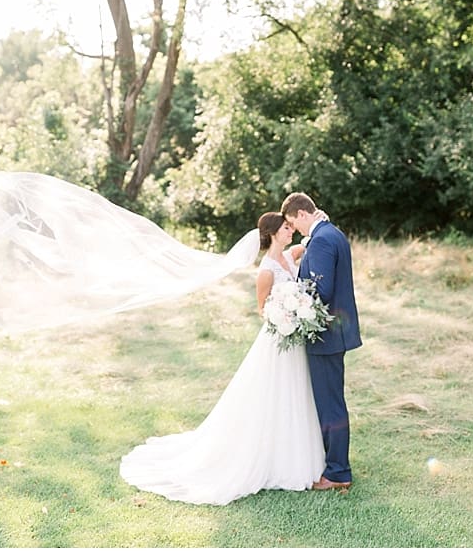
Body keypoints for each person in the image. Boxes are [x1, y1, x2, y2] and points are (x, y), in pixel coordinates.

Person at [120, 211, 326, 505]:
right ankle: (270, 456)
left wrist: (318, 223)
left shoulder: (289, 256)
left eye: (291, 226)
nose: (290, 230)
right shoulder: (266, 270)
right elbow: (262, 309)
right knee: (273, 394)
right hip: (278, 337)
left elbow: (306, 244)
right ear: (272, 234)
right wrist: (286, 315)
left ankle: (296, 453)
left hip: (294, 340)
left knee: (296, 392)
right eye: (286, 227)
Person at [282, 192, 362, 491]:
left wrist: (292, 300)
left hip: (326, 335)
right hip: (333, 333)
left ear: (302, 214)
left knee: (330, 405)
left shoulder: (322, 240)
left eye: (294, 223)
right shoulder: (331, 233)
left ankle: (338, 472)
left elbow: (320, 290)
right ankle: (333, 464)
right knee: (331, 401)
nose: (295, 230)